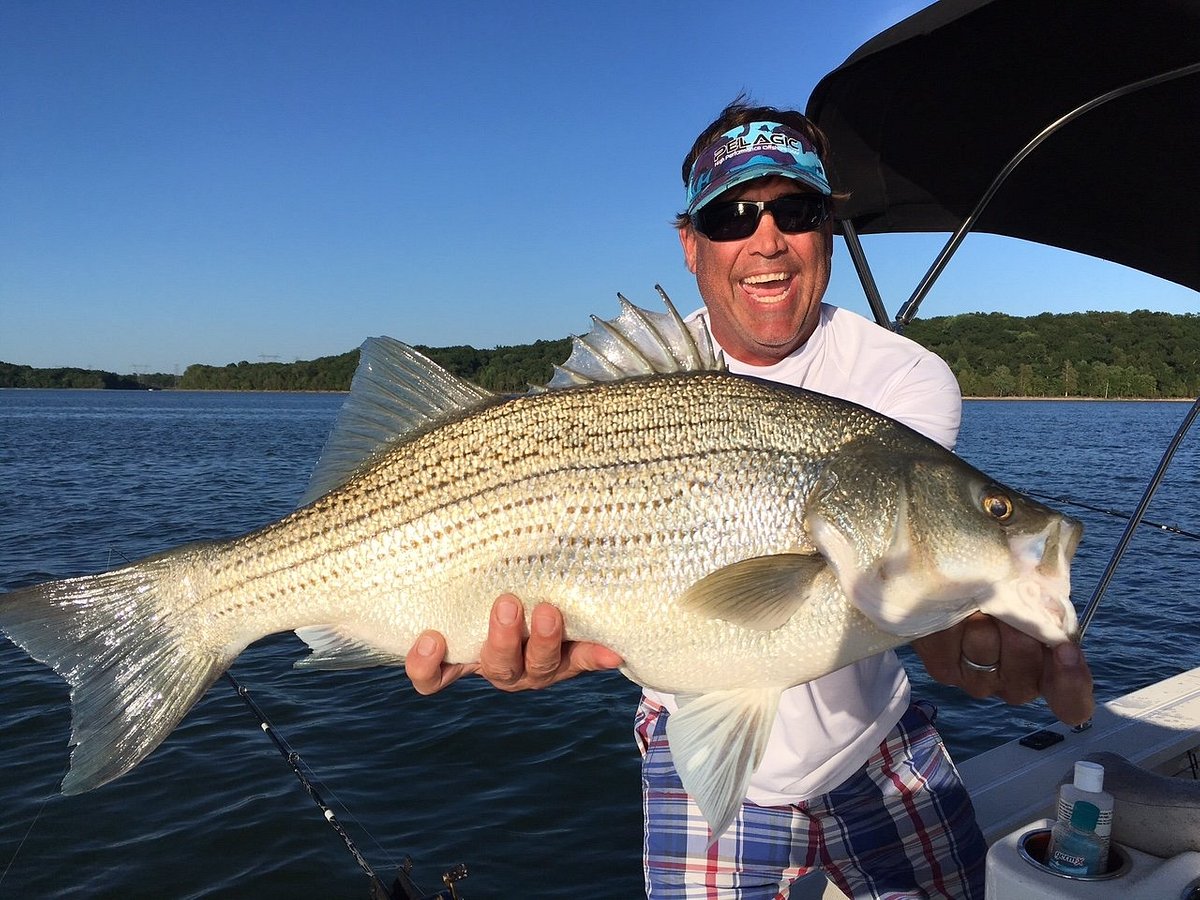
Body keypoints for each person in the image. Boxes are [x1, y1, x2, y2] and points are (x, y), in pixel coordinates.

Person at [405, 99, 1095, 899]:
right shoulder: (658, 378)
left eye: (795, 210)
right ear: (690, 243)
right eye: (733, 216)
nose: (766, 240)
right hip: (689, 722)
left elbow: (903, 577)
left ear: (827, 229)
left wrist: (972, 625)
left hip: (877, 740)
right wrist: (510, 647)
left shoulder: (903, 380)